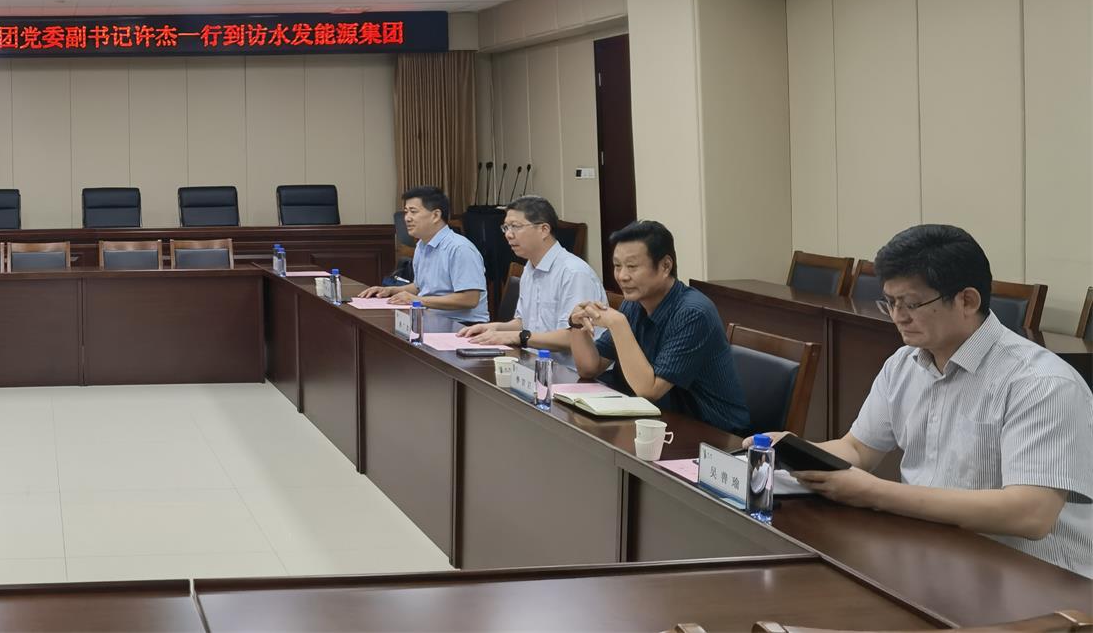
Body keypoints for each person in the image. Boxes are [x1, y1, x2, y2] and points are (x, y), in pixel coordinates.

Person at [748, 225, 1091, 576]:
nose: (898, 316)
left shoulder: (1041, 384)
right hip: (937, 555)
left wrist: (875, 493)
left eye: (912, 304)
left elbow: (1030, 514)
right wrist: (791, 451)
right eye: (891, 302)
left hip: (1038, 579)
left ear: (967, 301)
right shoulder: (904, 364)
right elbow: (858, 449)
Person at [553, 219, 748, 433]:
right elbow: (590, 368)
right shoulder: (633, 304)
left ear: (665, 266)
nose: (622, 276)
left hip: (712, 433)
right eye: (617, 266)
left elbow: (649, 390)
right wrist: (576, 325)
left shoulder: (694, 313)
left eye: (632, 267)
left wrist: (618, 324)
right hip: (656, 420)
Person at [458, 195, 605, 364]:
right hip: (534, 364)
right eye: (505, 227)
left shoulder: (574, 273)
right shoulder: (530, 268)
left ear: (544, 230)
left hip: (572, 372)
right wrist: (493, 328)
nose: (508, 235)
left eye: (515, 226)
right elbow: (524, 323)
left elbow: (573, 337)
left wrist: (518, 337)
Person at [380, 186, 487, 330]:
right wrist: (391, 290)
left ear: (436, 215)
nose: (407, 218)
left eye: (413, 212)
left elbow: (469, 299)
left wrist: (418, 300)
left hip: (462, 326)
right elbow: (420, 287)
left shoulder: (460, 249)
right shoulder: (422, 245)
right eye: (406, 212)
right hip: (432, 319)